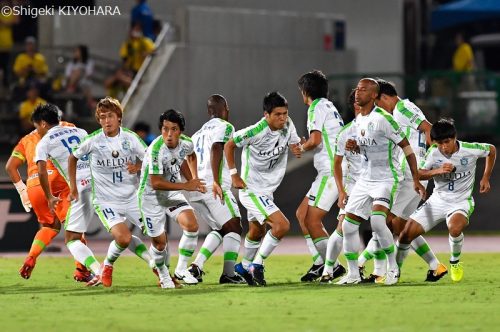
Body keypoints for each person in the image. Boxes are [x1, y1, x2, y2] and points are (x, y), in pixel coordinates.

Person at [337, 78, 426, 285]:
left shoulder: (384, 119)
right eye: (357, 89)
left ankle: (393, 269)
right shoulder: (360, 120)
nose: (358, 93)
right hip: (365, 179)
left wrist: (415, 178)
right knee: (348, 227)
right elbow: (368, 148)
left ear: (375, 95)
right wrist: (356, 148)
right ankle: (352, 273)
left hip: (386, 178)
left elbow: (407, 148)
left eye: (364, 90)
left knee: (377, 222)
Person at [357, 79, 447, 282]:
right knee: (400, 227)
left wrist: (429, 163)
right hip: (412, 175)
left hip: (409, 175)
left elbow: (428, 128)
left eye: (378, 103)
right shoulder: (401, 110)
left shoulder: (402, 108)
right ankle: (435, 266)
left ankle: (368, 266)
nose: (378, 108)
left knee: (383, 221)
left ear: (384, 97)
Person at [69, 97, 155, 287]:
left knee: (158, 236)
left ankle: (161, 271)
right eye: (102, 117)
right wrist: (73, 187)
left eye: (110, 116)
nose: (106, 121)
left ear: (119, 118)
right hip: (106, 200)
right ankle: (108, 266)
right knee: (123, 238)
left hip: (133, 197)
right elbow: (72, 157)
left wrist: (139, 165)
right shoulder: (92, 140)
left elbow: (150, 157)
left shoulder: (130, 138)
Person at [397, 118, 496, 282]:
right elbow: (419, 173)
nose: (444, 147)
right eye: (439, 143)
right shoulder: (433, 153)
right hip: (437, 201)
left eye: (447, 142)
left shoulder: (470, 149)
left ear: (455, 137)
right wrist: (438, 170)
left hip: (461, 202)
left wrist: (486, 177)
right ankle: (395, 270)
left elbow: (491, 150)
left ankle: (455, 262)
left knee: (455, 228)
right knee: (405, 235)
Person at [225, 91, 301, 286]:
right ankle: (256, 265)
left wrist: (297, 147)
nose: (283, 118)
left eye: (285, 113)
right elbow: (229, 144)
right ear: (266, 114)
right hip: (252, 189)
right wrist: (234, 173)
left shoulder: (288, 124)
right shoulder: (256, 130)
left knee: (257, 231)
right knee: (281, 226)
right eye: (277, 114)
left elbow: (294, 141)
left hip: (267, 189)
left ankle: (243, 267)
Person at [6, 113, 91, 281]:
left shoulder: (25, 140)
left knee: (49, 226)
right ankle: (81, 270)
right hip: (57, 181)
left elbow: (10, 167)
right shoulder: (68, 126)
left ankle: (31, 256)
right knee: (75, 227)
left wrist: (22, 191)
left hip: (33, 185)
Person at [138, 109, 204, 286]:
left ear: (180, 131)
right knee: (160, 244)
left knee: (191, 225)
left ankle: (181, 270)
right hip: (151, 197)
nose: (168, 134)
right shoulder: (156, 150)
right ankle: (163, 275)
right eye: (165, 128)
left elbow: (188, 156)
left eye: (173, 129)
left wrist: (192, 179)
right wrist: (186, 185)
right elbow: (156, 182)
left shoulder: (186, 143)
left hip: (172, 193)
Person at [187, 95, 245, 284]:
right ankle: (229, 274)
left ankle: (196, 266)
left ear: (208, 112)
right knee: (234, 226)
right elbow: (217, 148)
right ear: (225, 109)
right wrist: (216, 181)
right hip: (214, 187)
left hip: (198, 190)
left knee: (221, 228)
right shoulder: (226, 127)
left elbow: (189, 157)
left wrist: (194, 180)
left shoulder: (196, 134)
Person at [294, 70, 346, 282]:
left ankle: (333, 266)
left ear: (305, 92)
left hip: (332, 172)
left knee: (312, 220)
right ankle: (320, 262)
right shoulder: (330, 107)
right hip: (332, 170)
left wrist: (301, 147)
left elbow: (315, 140)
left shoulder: (315, 107)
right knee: (301, 214)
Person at [319, 89, 362, 283]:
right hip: (355, 185)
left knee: (389, 224)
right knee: (343, 226)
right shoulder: (346, 132)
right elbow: (336, 163)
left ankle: (380, 269)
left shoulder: (381, 124)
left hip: (380, 182)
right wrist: (342, 190)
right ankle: (329, 269)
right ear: (355, 106)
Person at [105, 23, 155, 98]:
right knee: (115, 78)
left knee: (124, 78)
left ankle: (134, 86)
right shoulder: (128, 44)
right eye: (135, 29)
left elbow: (154, 50)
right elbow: (124, 59)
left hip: (140, 70)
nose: (136, 32)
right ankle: (130, 85)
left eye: (138, 30)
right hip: (130, 70)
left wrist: (146, 53)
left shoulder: (145, 42)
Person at [0, 0, 19, 88]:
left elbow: (16, 20)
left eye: (5, 3)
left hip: (7, 45)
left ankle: (7, 85)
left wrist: (4, 23)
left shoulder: (11, 13)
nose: (3, 4)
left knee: (6, 66)